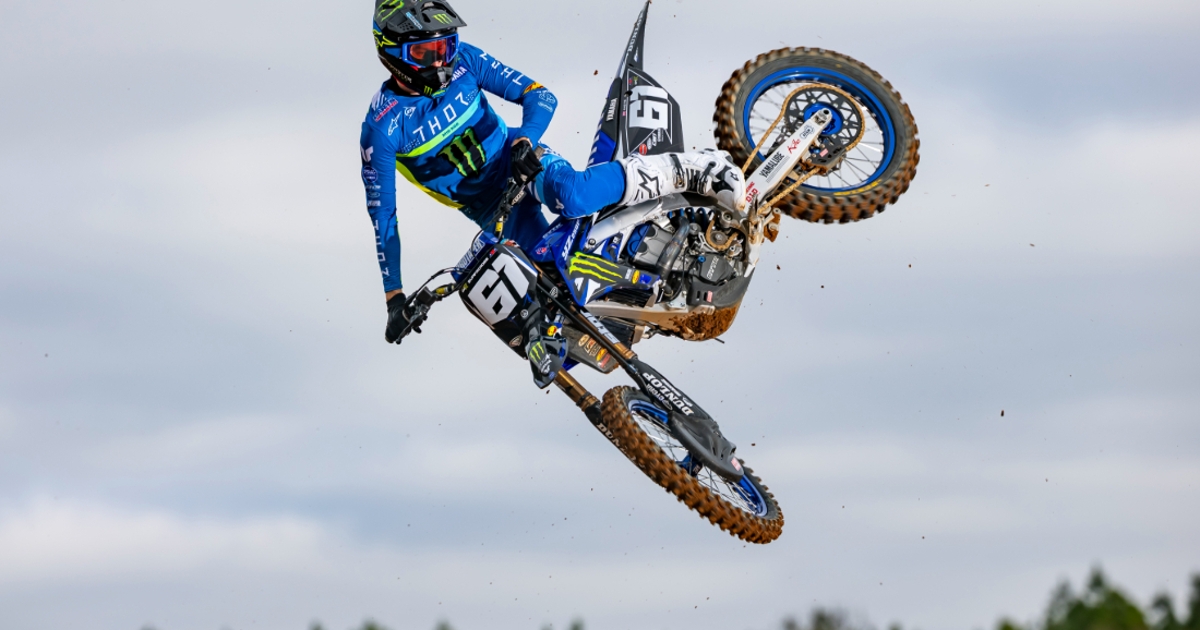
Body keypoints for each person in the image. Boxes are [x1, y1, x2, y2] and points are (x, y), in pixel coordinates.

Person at [360, 0, 745, 344]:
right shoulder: (382, 129)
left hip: (520, 163)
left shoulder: (466, 62)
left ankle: (696, 167)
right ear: (391, 54)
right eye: (425, 52)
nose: (441, 61)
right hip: (493, 212)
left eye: (446, 46)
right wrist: (394, 298)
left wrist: (525, 141)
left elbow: (540, 95)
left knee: (573, 197)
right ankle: (649, 304)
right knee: (552, 296)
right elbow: (384, 217)